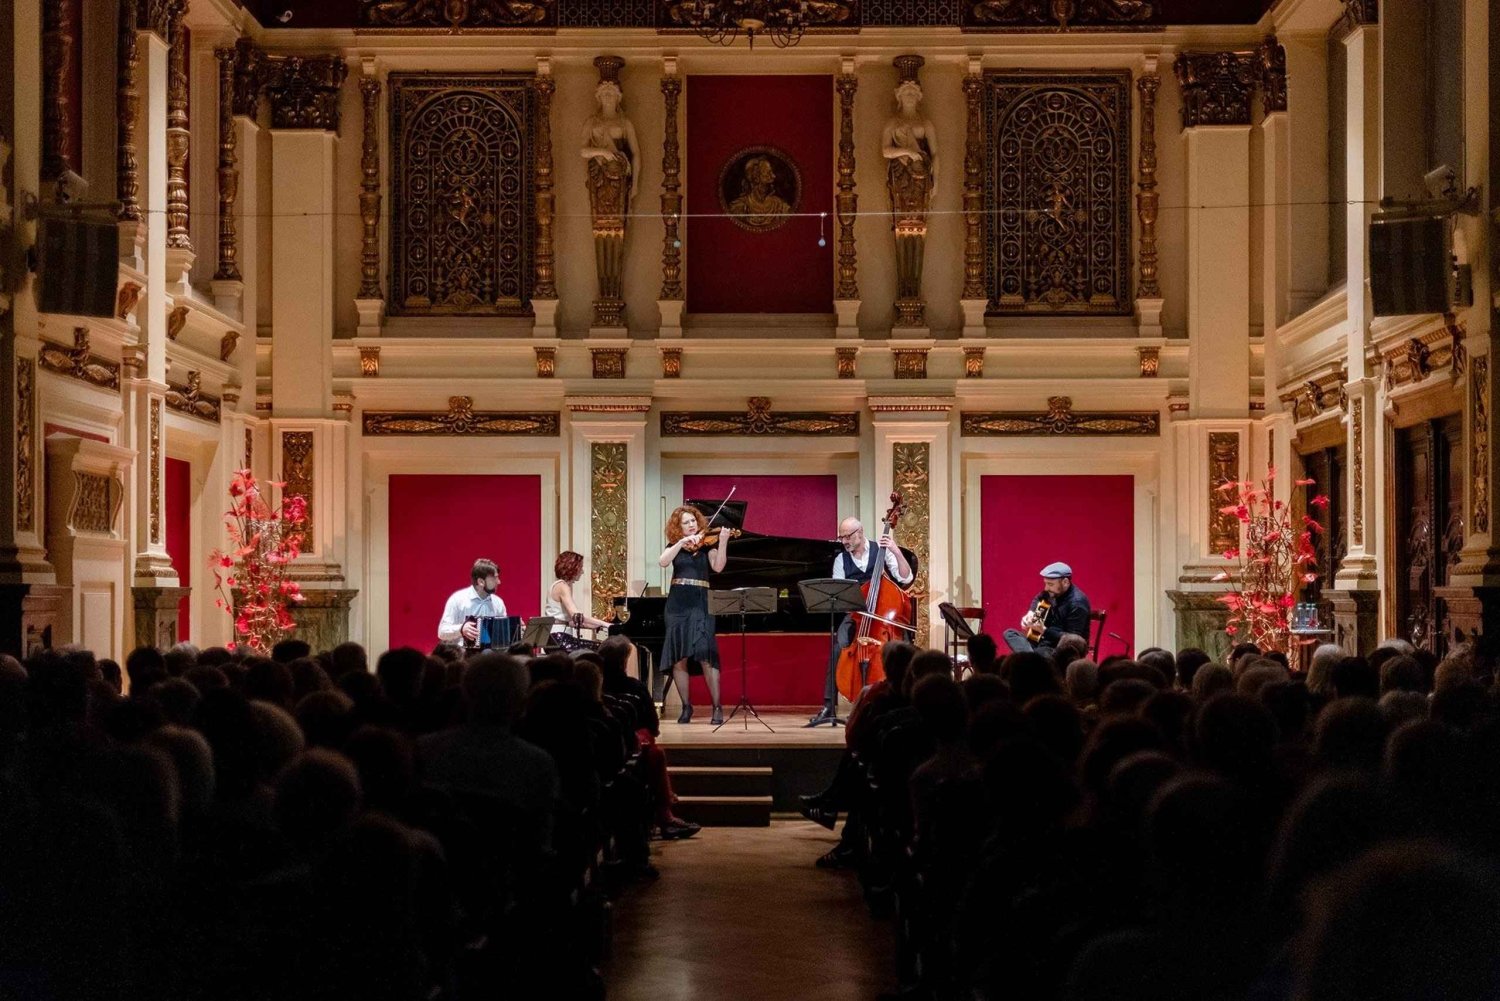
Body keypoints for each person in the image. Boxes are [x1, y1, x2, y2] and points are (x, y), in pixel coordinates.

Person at [808, 515, 914, 727]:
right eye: (841, 538)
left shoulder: (880, 551)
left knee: (903, 648)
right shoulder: (841, 560)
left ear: (859, 533)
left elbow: (906, 578)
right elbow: (839, 596)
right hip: (856, 614)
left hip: (883, 618)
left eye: (847, 537)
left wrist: (895, 550)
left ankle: (902, 701)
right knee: (838, 647)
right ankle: (829, 705)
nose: (844, 541)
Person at [658, 505, 730, 724]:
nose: (691, 525)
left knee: (706, 654)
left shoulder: (708, 546)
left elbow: (718, 568)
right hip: (677, 604)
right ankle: (686, 707)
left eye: (693, 521)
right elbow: (662, 561)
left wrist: (723, 541)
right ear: (678, 527)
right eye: (686, 522)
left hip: (701, 602)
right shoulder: (675, 546)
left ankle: (717, 707)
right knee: (680, 657)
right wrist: (680, 543)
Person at [1003, 561, 1091, 656]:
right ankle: (1032, 658)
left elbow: (1072, 641)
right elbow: (1038, 598)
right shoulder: (1053, 592)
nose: (1046, 588)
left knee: (1041, 653)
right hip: (1041, 640)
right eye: (1045, 583)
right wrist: (1030, 613)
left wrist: (1044, 630)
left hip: (1059, 648)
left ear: (1065, 582)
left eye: (1050, 584)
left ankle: (1031, 658)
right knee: (1009, 633)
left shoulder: (1077, 603)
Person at [545, 551, 613, 651]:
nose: (582, 571)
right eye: (580, 567)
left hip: (553, 638)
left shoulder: (558, 585)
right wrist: (604, 624)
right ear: (572, 567)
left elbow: (572, 622)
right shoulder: (562, 586)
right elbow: (576, 616)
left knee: (599, 647)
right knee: (602, 649)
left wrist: (596, 626)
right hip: (558, 638)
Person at [437, 558, 508, 648]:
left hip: (489, 656)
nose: (499, 582)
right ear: (481, 582)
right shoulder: (457, 599)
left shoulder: (498, 602)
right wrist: (461, 629)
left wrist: (515, 629)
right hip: (462, 655)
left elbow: (502, 637)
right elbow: (442, 632)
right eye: (494, 578)